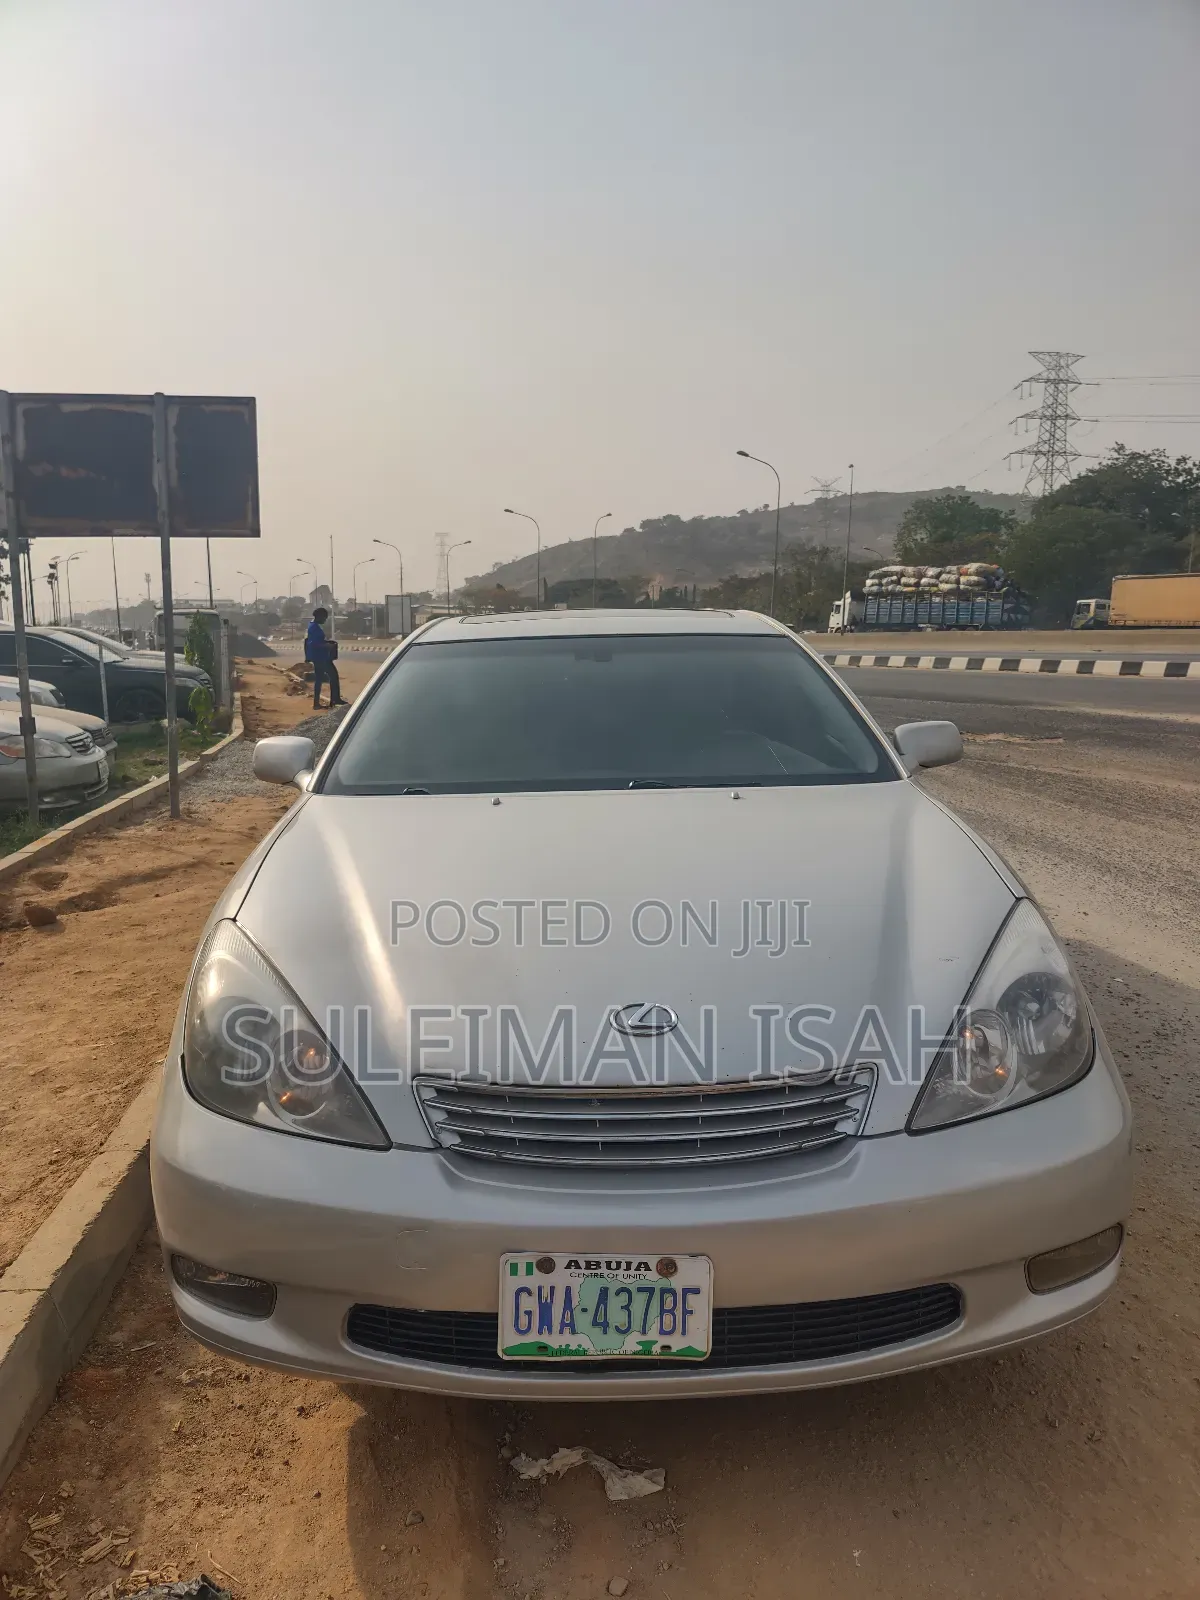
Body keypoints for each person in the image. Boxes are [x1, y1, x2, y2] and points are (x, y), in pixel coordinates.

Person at [305, 607, 346, 709]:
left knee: (319, 679)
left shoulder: (313, 625)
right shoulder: (314, 627)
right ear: (319, 616)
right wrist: (327, 646)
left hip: (319, 656)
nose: (325, 620)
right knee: (333, 676)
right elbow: (313, 643)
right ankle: (335, 699)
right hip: (320, 657)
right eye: (324, 617)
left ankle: (317, 703)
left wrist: (327, 643)